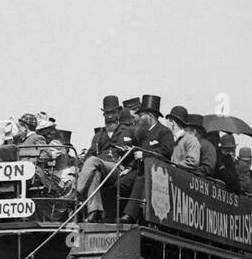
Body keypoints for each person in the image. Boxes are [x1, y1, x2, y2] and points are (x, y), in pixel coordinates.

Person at [117, 94, 176, 223]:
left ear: (150, 116)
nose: (139, 118)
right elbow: (137, 152)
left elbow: (166, 151)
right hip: (140, 169)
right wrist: (129, 167)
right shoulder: (143, 132)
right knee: (120, 183)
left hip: (156, 172)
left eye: (142, 115)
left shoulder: (164, 132)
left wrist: (145, 155)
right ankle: (114, 214)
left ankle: (129, 216)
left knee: (140, 180)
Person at [76, 95, 135, 222]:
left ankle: (76, 194)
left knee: (92, 161)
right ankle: (94, 211)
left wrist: (130, 167)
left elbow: (137, 151)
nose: (109, 116)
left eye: (113, 113)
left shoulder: (128, 131)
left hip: (118, 168)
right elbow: (89, 154)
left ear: (118, 113)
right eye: (107, 113)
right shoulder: (98, 136)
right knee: (94, 172)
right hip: (101, 169)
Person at [167, 106, 201, 170]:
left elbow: (193, 162)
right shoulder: (169, 138)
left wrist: (174, 165)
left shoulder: (191, 140)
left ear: (172, 122)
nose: (166, 123)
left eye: (168, 120)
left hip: (182, 177)